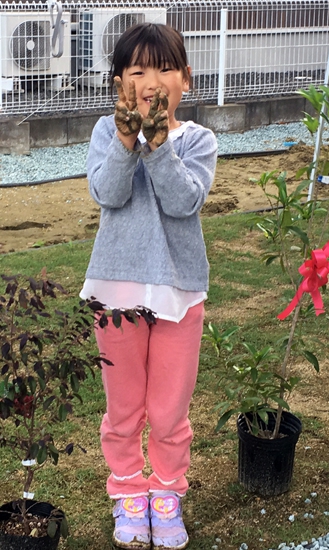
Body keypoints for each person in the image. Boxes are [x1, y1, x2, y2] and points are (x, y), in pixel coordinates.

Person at [80, 23, 217, 550]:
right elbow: (109, 194)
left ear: (186, 79)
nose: (151, 80)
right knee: (123, 408)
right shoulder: (104, 132)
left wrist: (158, 146)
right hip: (115, 293)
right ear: (120, 82)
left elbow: (184, 202)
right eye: (137, 70)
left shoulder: (199, 140)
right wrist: (124, 140)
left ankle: (166, 491)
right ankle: (127, 492)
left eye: (164, 67)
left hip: (179, 294)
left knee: (167, 410)